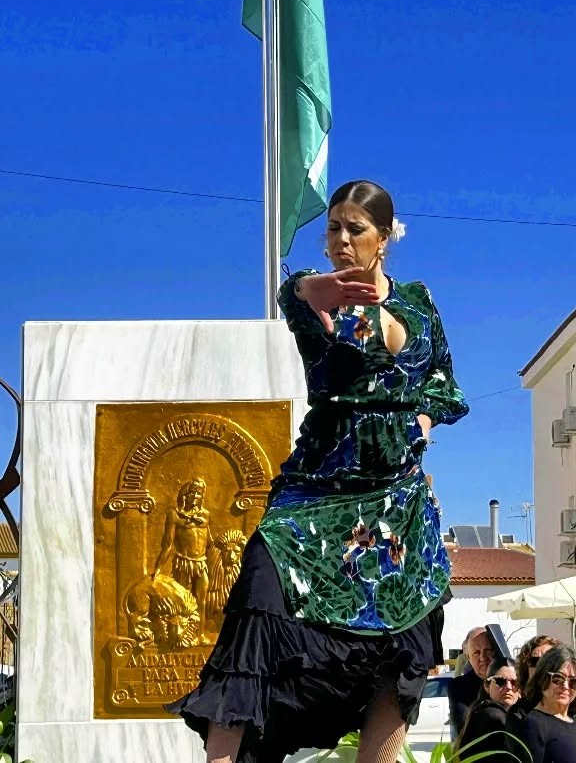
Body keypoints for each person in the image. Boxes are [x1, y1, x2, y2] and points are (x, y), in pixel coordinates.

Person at [167, 180, 470, 763]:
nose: (341, 239)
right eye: (333, 228)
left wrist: (422, 421)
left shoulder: (419, 301)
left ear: (385, 236)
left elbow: (444, 383)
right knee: (258, 603)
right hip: (318, 490)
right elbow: (295, 294)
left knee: (398, 649)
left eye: (355, 228)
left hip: (396, 501)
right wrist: (313, 291)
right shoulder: (316, 296)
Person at [521, 646, 576, 763]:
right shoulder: (533, 725)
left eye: (573, 682)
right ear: (542, 678)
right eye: (558, 678)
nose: (565, 686)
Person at [457, 658, 527, 760]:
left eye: (514, 682)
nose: (508, 687)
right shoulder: (490, 715)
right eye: (500, 681)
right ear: (487, 686)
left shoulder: (483, 711)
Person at [451, 626, 497, 742]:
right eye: (476, 653)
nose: (483, 658)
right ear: (469, 658)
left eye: (488, 650)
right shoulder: (459, 686)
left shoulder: (510, 681)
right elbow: (464, 726)